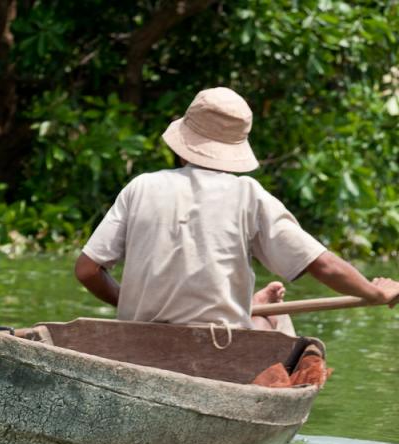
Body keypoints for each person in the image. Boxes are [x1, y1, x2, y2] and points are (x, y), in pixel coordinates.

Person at [75, 87, 399, 330]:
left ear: (183, 141)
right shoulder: (248, 195)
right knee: (278, 321)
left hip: (137, 343)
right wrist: (374, 293)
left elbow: (87, 270)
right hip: (217, 350)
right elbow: (323, 265)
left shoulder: (141, 186)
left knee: (261, 314)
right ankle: (245, 310)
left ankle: (246, 306)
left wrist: (132, 303)